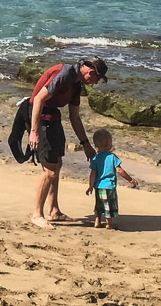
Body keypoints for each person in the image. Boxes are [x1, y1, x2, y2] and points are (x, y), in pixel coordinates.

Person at [29, 56, 108, 230]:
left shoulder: (77, 85)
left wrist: (86, 144)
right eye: (97, 79)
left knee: (57, 164)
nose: (95, 83)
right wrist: (34, 132)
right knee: (49, 169)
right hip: (40, 117)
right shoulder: (64, 73)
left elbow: (74, 117)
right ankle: (37, 214)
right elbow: (39, 99)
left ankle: (54, 211)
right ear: (91, 72)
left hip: (53, 117)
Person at [86, 128, 138, 229]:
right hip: (109, 186)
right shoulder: (112, 157)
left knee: (99, 204)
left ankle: (97, 221)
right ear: (109, 143)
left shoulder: (95, 158)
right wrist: (130, 179)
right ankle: (109, 224)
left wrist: (90, 186)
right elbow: (119, 170)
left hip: (98, 187)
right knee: (109, 206)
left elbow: (93, 174)